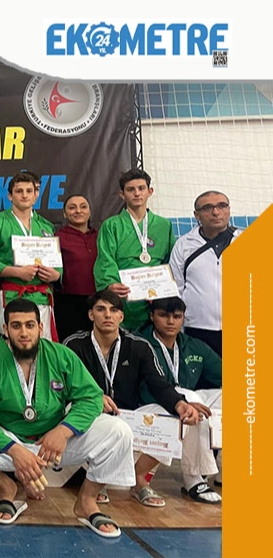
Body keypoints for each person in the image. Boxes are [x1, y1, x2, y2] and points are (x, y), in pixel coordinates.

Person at [0, 298, 134, 538]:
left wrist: (64, 431)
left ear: (40, 327)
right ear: (5, 329)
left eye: (30, 325)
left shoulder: (60, 355)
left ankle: (87, 501)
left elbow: (91, 398)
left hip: (54, 443)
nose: (24, 333)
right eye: (16, 326)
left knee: (119, 431)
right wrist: (15, 450)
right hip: (10, 441)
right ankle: (6, 488)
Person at [63, 289, 206, 508]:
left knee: (174, 417)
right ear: (91, 314)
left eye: (114, 310)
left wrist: (180, 404)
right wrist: (92, 398)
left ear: (121, 316)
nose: (108, 315)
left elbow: (158, 383)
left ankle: (139, 478)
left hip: (127, 415)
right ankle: (95, 480)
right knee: (71, 411)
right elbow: (63, 387)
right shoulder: (73, 345)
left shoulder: (139, 346)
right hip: (90, 412)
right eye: (101, 309)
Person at [136, 297, 223, 503]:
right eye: (163, 315)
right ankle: (194, 478)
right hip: (150, 405)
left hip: (186, 402)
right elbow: (147, 387)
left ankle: (225, 468)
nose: (170, 321)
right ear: (152, 316)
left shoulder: (192, 345)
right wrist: (182, 400)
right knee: (190, 401)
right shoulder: (139, 343)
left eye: (177, 317)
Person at [0, 172, 61, 340]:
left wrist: (56, 275)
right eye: (19, 191)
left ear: (35, 195)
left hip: (41, 296)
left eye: (29, 191)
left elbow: (56, 262)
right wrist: (16, 272)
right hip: (12, 294)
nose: (24, 195)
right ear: (10, 196)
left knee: (41, 345)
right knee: (12, 344)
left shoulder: (45, 226)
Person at [94, 168, 175, 331]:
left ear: (150, 191)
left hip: (155, 298)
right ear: (122, 195)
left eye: (141, 188)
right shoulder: (111, 225)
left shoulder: (164, 225)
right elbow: (105, 259)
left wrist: (166, 286)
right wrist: (110, 283)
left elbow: (171, 260)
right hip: (124, 297)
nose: (137, 193)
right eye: (131, 189)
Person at [168, 191, 240, 356]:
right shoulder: (183, 245)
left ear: (229, 210)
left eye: (222, 206)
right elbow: (176, 288)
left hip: (242, 328)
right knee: (204, 374)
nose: (216, 212)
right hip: (198, 329)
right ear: (196, 215)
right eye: (208, 208)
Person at [55, 194, 98, 340]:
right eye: (72, 208)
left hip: (97, 299)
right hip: (68, 302)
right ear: (64, 213)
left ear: (90, 212)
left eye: (83, 207)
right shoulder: (57, 237)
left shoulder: (99, 236)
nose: (78, 211)